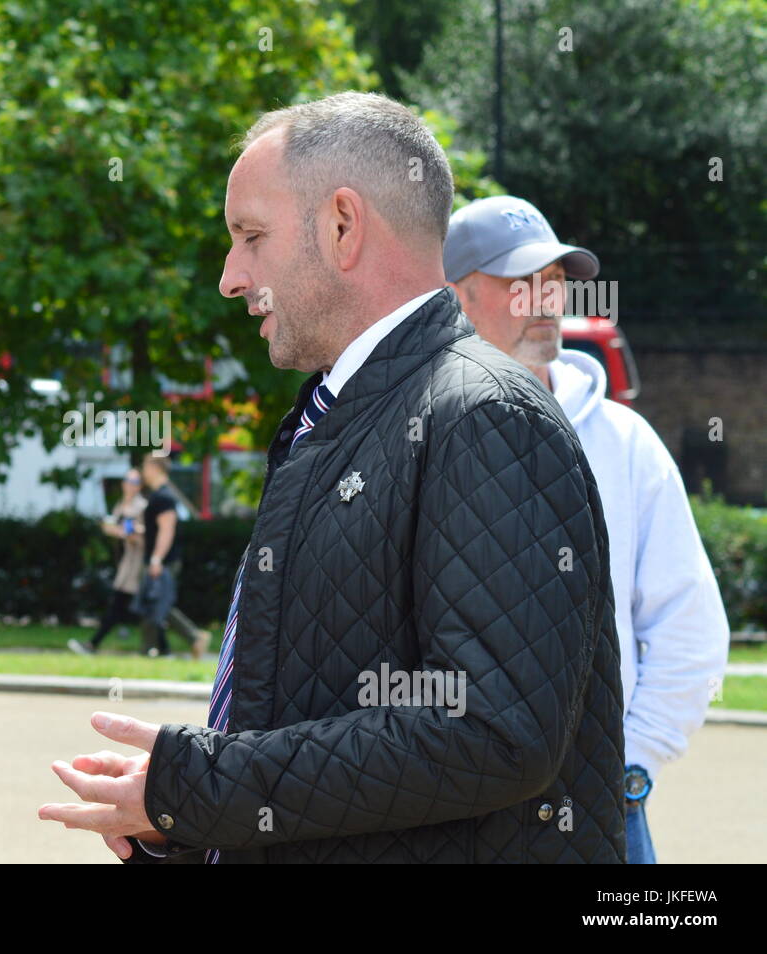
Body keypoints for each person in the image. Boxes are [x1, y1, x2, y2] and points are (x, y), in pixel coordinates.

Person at [39, 91, 625, 863]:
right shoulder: (341, 414)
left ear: (342, 226)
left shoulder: (484, 416)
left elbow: (492, 729)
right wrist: (186, 829)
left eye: (250, 236)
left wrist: (200, 789)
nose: (229, 275)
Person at [444, 194, 729, 864]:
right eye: (521, 283)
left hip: (602, 808)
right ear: (455, 298)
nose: (545, 300)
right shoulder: (417, 436)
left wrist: (630, 765)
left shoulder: (625, 442)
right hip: (455, 817)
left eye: (554, 282)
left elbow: (690, 625)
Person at [133, 453, 209, 660]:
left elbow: (167, 530)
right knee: (154, 605)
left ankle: (193, 637)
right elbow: (157, 530)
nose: (143, 472)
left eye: (146, 467)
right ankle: (155, 649)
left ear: (156, 468)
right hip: (158, 559)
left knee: (159, 605)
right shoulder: (159, 495)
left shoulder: (164, 497)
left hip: (163, 561)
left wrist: (157, 559)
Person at [69, 468, 147, 654]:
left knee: (124, 605)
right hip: (126, 560)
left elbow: (143, 536)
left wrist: (127, 533)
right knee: (133, 606)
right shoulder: (121, 505)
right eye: (127, 481)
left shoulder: (142, 506)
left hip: (136, 562)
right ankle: (163, 646)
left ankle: (93, 644)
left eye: (134, 482)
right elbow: (117, 529)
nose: (130, 485)